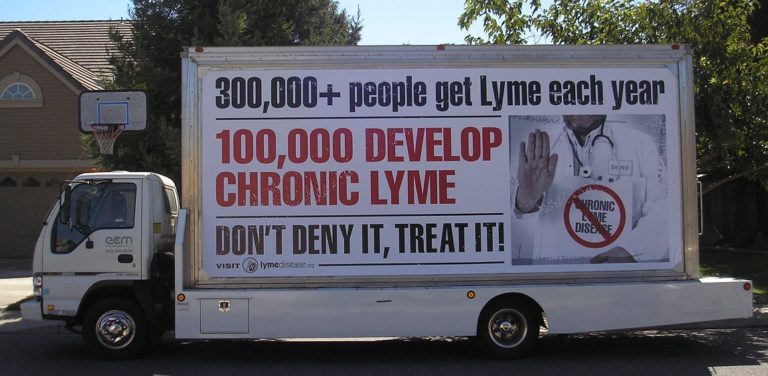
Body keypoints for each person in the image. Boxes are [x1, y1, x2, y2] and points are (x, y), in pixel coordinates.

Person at [512, 115, 668, 264]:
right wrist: (526, 198)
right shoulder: (538, 147)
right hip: (554, 272)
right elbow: (510, 211)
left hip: (620, 276)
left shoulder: (640, 144)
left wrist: (633, 250)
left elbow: (665, 207)